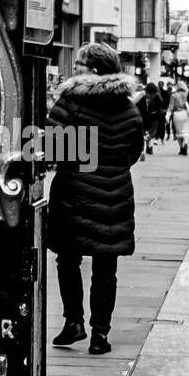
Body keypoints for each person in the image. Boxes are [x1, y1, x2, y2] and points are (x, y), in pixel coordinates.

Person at [47, 43, 144, 356]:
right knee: (106, 266)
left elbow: (53, 147)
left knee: (68, 257)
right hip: (115, 192)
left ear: (96, 71)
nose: (74, 68)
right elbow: (133, 151)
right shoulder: (128, 108)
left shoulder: (71, 103)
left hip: (74, 191)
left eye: (80, 64)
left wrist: (80, 159)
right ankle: (100, 334)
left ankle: (74, 321)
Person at [169, 77, 189, 155]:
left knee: (178, 133)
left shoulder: (174, 95)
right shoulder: (188, 94)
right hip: (187, 114)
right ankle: (185, 143)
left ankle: (181, 148)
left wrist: (167, 115)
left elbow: (171, 107)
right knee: (186, 131)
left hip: (177, 114)